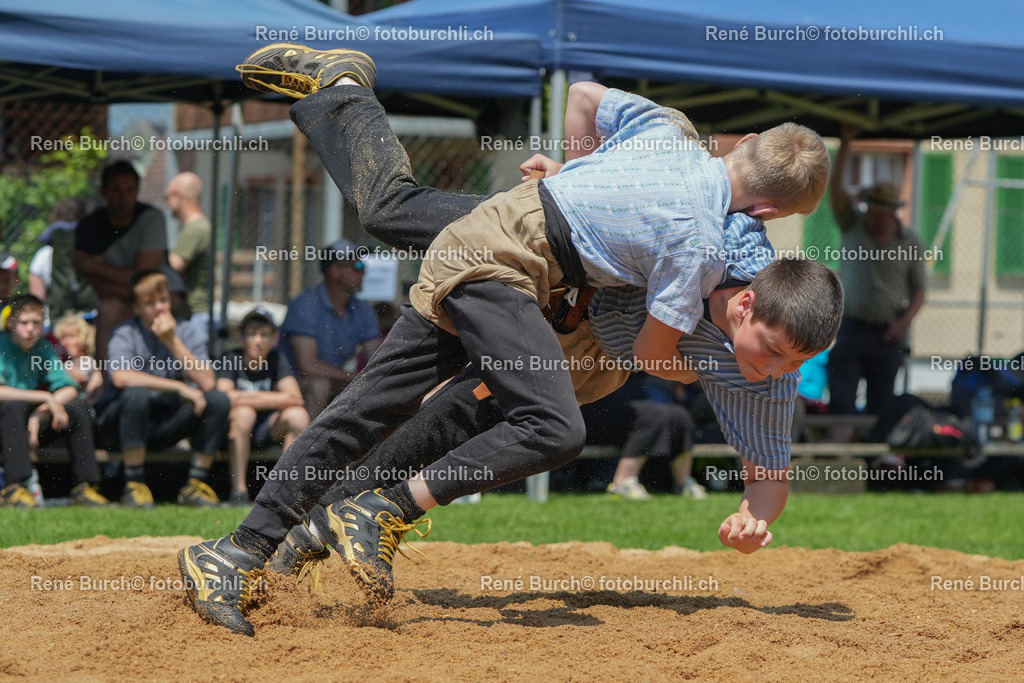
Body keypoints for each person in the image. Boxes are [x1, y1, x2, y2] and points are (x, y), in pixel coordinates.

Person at [179, 43, 837, 636]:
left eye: (789, 363)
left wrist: (585, 185)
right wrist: (584, 180)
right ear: (766, 217)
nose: (776, 370)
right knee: (528, 415)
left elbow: (586, 97)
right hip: (524, 255)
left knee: (426, 401)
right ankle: (357, 517)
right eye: (772, 354)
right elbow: (652, 350)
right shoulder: (710, 230)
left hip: (550, 284)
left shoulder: (741, 250)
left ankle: (270, 542)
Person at [92, 270, 231, 507]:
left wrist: (172, 341)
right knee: (137, 394)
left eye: (163, 300)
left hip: (166, 420)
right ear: (135, 308)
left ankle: (195, 485)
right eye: (149, 303)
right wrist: (178, 387)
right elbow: (121, 377)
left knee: (218, 399)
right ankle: (134, 485)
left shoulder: (185, 330)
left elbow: (208, 381)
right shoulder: (125, 333)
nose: (159, 308)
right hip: (123, 422)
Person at [826, 124, 927, 426]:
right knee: (841, 397)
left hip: (887, 332)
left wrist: (902, 323)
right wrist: (846, 143)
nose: (872, 216)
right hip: (852, 326)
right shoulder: (852, 225)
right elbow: (835, 189)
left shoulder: (911, 242)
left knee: (882, 405)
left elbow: (919, 291)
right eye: (870, 209)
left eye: (878, 212)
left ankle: (875, 464)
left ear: (892, 212)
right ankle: (841, 457)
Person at [0, 295, 110, 507]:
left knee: (77, 406)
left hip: (29, 421)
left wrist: (39, 414)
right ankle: (16, 486)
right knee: (12, 406)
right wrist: (46, 398)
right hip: (6, 422)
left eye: (37, 323)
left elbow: (69, 387)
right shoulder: (2, 346)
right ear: (11, 322)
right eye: (24, 322)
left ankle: (84, 486)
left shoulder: (44, 348)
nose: (31, 329)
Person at [72, 160, 178, 362]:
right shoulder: (89, 227)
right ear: (103, 192)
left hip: (162, 296)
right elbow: (98, 285)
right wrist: (138, 294)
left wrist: (94, 265)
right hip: (121, 299)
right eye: (116, 190)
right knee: (107, 309)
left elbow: (144, 278)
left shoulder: (151, 219)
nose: (124, 198)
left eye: (130, 190)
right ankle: (107, 383)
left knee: (168, 305)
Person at [217, 306, 309, 505]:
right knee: (244, 413)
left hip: (266, 429)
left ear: (274, 339)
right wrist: (276, 398)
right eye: (252, 334)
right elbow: (224, 396)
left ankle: (283, 491)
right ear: (241, 337)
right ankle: (239, 492)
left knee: (298, 415)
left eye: (264, 335)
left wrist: (243, 397)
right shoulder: (230, 358)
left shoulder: (278, 359)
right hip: (232, 432)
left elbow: (295, 398)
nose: (258, 340)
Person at [279, 238, 381, 419]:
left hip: (334, 381)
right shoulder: (304, 305)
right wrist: (356, 378)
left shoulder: (363, 309)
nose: (364, 271)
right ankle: (307, 446)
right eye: (357, 266)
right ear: (335, 271)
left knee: (376, 389)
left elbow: (378, 359)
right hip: (292, 387)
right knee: (320, 384)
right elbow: (308, 366)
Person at [28, 198, 93, 327]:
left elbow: (36, 303)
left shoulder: (44, 255)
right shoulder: (94, 253)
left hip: (57, 326)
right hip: (89, 322)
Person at [166, 172, 214, 346]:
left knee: (194, 366)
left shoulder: (196, 228)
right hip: (195, 313)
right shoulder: (194, 227)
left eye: (168, 196)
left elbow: (174, 264)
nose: (167, 204)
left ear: (179, 196)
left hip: (196, 314)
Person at [52, 313, 104, 403]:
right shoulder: (69, 361)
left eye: (71, 336)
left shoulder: (87, 360)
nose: (66, 342)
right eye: (63, 337)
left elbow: (78, 378)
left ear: (83, 338)